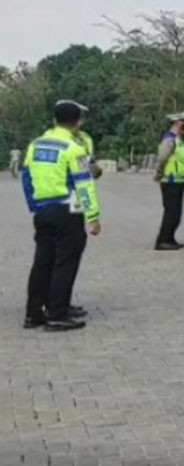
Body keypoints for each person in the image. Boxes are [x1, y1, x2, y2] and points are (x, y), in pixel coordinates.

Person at [22, 100, 101, 331]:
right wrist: (93, 216)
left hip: (42, 210)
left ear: (55, 120)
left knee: (42, 262)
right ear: (77, 122)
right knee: (65, 263)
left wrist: (34, 205)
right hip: (67, 210)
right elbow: (84, 185)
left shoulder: (35, 145)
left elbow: (26, 178)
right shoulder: (74, 149)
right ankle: (57, 313)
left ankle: (34, 313)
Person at [152, 111, 184, 251]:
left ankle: (170, 238)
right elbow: (162, 158)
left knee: (175, 213)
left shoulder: (177, 139)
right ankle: (163, 240)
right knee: (172, 212)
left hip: (178, 181)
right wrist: (159, 173)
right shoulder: (169, 140)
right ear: (178, 123)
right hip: (171, 181)